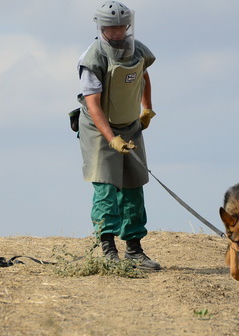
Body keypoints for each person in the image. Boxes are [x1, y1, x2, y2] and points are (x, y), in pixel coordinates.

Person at [75, 1, 160, 270]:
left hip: (129, 124)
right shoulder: (93, 58)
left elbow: (143, 76)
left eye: (123, 25)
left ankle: (134, 250)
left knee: (134, 185)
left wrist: (147, 109)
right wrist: (111, 138)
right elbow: (93, 105)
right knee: (106, 186)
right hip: (99, 128)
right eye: (113, 27)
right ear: (102, 26)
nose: (119, 31)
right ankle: (108, 251)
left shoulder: (137, 49)